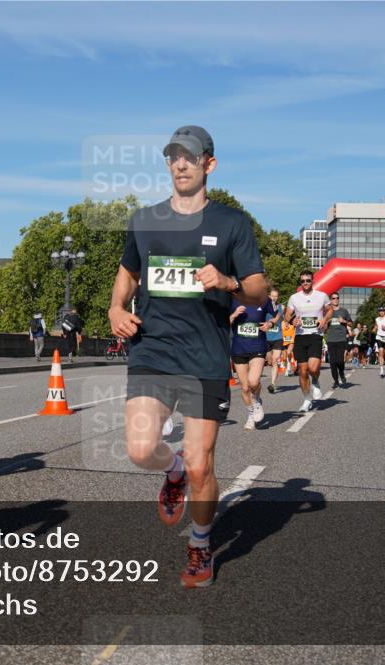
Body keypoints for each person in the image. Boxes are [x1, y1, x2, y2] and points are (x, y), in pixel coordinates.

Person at [108, 125, 266, 588]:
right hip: (153, 350)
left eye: (189, 157)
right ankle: (170, 470)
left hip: (205, 358)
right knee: (140, 449)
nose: (179, 164)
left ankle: (200, 545)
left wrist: (228, 282)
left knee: (203, 464)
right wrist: (117, 307)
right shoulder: (145, 219)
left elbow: (258, 288)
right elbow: (127, 273)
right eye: (173, 156)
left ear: (208, 165)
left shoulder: (232, 223)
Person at [284, 269, 333, 412]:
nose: (305, 283)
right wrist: (293, 320)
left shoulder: (321, 296)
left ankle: (316, 382)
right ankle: (306, 399)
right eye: (303, 281)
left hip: (315, 335)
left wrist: (324, 319)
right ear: (300, 282)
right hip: (300, 336)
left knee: (313, 368)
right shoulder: (294, 298)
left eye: (308, 280)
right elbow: (287, 315)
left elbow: (330, 310)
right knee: (303, 371)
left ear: (313, 281)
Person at [230, 294, 276, 429]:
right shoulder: (232, 300)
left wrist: (270, 323)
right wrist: (234, 315)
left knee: (253, 381)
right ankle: (250, 416)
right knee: (244, 387)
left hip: (258, 346)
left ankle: (256, 401)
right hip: (239, 348)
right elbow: (221, 322)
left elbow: (277, 314)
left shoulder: (265, 299)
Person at [325, 292, 352, 389]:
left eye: (337, 298)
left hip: (341, 339)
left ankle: (341, 372)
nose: (335, 300)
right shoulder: (327, 312)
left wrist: (344, 321)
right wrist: (326, 322)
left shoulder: (344, 311)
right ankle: (336, 381)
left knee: (340, 361)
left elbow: (351, 324)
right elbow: (323, 327)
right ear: (330, 300)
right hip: (331, 340)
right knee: (332, 363)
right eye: (333, 298)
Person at [264, 287, 284, 394]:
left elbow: (277, 318)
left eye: (276, 296)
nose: (274, 298)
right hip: (266, 338)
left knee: (275, 360)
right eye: (272, 296)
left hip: (277, 337)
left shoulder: (280, 307)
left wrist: (272, 322)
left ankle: (272, 384)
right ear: (269, 296)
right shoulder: (263, 307)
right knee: (270, 361)